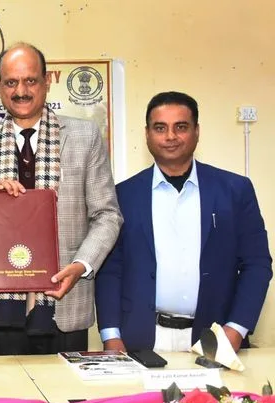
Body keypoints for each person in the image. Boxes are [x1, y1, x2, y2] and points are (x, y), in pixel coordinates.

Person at [0, 43, 123, 355]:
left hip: (65, 302)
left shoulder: (85, 137)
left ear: (46, 82)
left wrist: (81, 265)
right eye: (11, 82)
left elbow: (107, 215)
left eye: (30, 80)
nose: (21, 91)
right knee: (3, 389)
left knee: (64, 388)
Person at [95, 91, 272, 353]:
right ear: (147, 134)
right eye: (160, 128)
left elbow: (256, 264)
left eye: (181, 127)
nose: (170, 136)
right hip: (140, 340)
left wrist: (237, 328)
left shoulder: (235, 190)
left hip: (216, 340)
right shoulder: (122, 195)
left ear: (196, 131)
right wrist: (111, 335)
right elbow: (110, 270)